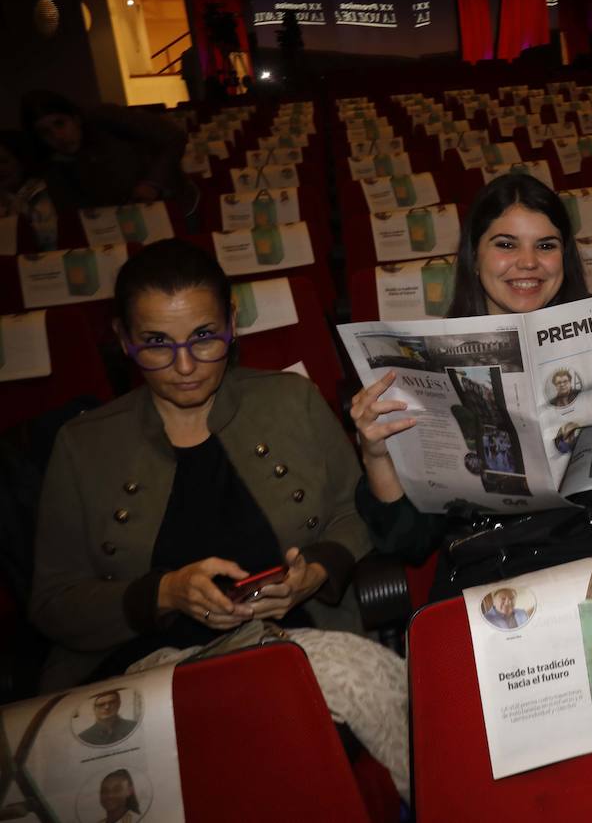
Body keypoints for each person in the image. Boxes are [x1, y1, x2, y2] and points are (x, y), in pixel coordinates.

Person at [28, 240, 409, 798]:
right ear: (122, 339)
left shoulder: (289, 401)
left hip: (286, 645)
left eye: (204, 337)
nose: (184, 366)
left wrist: (318, 572)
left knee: (276, 754)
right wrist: (163, 594)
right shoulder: (84, 446)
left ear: (232, 324)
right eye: (156, 343)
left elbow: (353, 511)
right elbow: (53, 602)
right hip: (138, 673)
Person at [351, 174, 592, 599]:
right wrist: (376, 453)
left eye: (546, 245)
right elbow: (408, 542)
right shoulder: (427, 370)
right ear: (474, 257)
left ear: (564, 258)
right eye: (506, 244)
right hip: (499, 578)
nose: (529, 262)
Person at [20, 90, 195, 213]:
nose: (58, 136)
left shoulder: (106, 118)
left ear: (75, 118)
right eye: (46, 132)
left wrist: (153, 183)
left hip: (173, 204)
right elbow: (72, 213)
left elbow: (173, 136)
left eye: (60, 124)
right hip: (116, 223)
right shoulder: (53, 164)